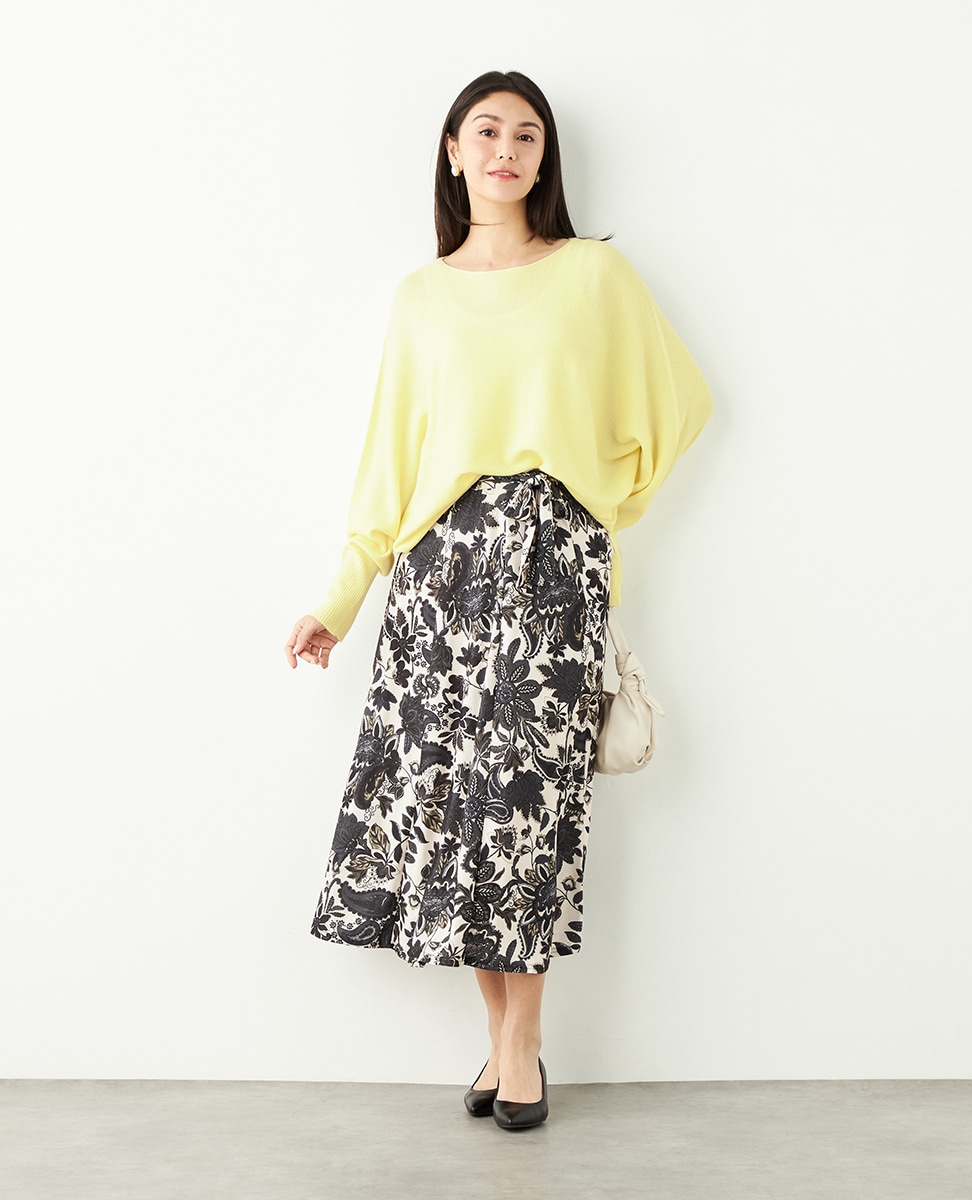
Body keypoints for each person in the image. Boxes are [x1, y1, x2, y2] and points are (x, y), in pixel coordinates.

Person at [284, 70, 713, 1130]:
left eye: (526, 135)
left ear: (543, 157)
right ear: (452, 150)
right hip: (439, 577)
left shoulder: (593, 274)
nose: (506, 150)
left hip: (551, 564)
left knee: (524, 810)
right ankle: (505, 1042)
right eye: (486, 131)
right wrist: (341, 598)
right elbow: (389, 465)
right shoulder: (421, 296)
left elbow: (683, 404)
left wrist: (597, 504)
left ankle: (520, 1046)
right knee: (453, 817)